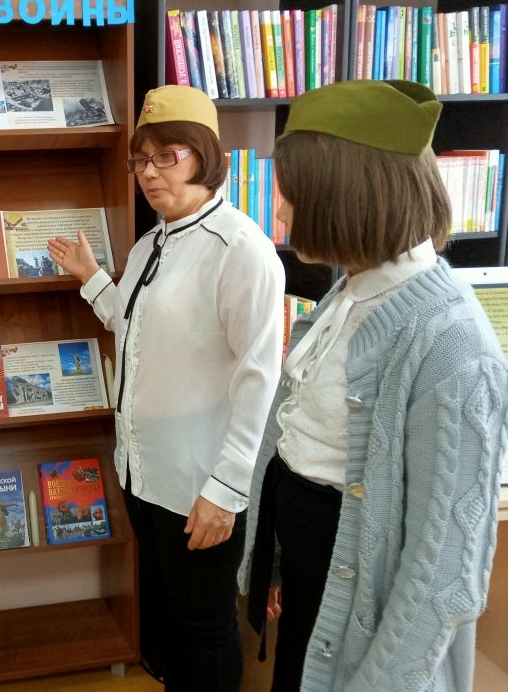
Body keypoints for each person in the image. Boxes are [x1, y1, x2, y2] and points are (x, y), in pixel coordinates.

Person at [241, 80, 508, 691]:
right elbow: (304, 441)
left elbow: (446, 574)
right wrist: (277, 557)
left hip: (375, 645)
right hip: (315, 589)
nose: (279, 213)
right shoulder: (350, 292)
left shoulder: (454, 346)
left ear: (346, 195)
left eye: (292, 195)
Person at [48, 85, 284, 690]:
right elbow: (133, 327)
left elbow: (260, 377)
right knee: (171, 623)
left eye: (167, 156)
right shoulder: (150, 243)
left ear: (206, 156)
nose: (150, 174)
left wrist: (227, 490)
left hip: (199, 486)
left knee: (205, 628)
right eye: (141, 160)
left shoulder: (241, 249)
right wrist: (92, 277)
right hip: (142, 473)